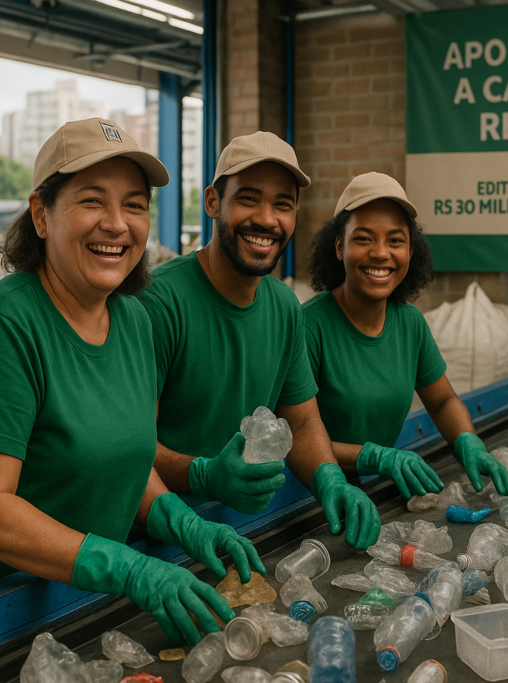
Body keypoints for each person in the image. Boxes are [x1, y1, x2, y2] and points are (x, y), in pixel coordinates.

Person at [0, 119, 263, 645]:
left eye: (134, 205)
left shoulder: (132, 321)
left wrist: (183, 522)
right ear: (41, 215)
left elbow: (123, 460)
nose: (117, 224)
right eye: (93, 201)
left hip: (55, 608)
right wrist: (128, 568)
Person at [140, 132, 381, 551]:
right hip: (156, 538)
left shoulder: (285, 306)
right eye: (249, 199)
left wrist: (330, 478)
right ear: (213, 201)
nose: (267, 220)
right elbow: (129, 447)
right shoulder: (158, 302)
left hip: (241, 528)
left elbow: (303, 421)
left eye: (282, 205)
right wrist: (203, 474)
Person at [303, 172, 508, 500]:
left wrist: (468, 441)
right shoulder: (310, 326)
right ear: (339, 247)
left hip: (373, 486)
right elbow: (295, 434)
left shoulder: (410, 324)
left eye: (395, 240)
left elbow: (443, 400)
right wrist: (374, 457)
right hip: (307, 493)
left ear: (410, 252)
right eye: (363, 238)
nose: (381, 253)